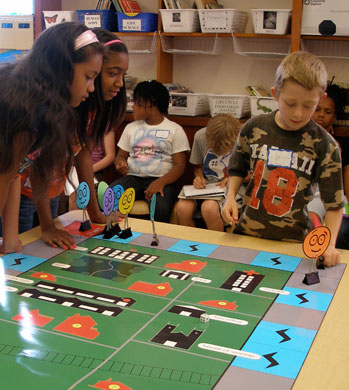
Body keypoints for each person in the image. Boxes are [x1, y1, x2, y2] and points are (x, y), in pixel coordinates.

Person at [222, 51, 344, 267]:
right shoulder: (253, 127)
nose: (298, 113)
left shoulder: (325, 145)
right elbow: (236, 169)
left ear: (321, 99)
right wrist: (230, 197)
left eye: (308, 105)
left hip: (295, 244)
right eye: (290, 103)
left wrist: (331, 244)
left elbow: (333, 204)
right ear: (275, 94)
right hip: (247, 236)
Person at [18, 29, 129, 250]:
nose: (120, 83)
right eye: (112, 73)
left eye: (123, 74)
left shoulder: (90, 110)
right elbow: (38, 164)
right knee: (21, 253)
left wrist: (95, 211)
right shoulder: (52, 111)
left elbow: (83, 154)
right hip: (21, 193)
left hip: (47, 191)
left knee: (43, 252)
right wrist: (47, 226)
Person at [0, 22, 104, 253]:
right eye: (88, 77)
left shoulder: (44, 111)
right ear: (62, 68)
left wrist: (10, 237)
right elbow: (4, 174)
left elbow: (13, 173)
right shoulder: (24, 109)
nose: (91, 88)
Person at [112, 80, 190, 223]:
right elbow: (120, 156)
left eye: (137, 103)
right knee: (109, 196)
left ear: (150, 104)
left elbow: (180, 166)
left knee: (161, 207)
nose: (133, 107)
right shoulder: (131, 128)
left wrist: (161, 182)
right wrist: (121, 163)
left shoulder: (175, 129)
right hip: (133, 178)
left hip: (162, 181)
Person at [176, 114, 242, 231]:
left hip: (234, 188)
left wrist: (232, 178)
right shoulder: (200, 136)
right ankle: (190, 245)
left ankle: (215, 246)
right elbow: (197, 167)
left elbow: (251, 173)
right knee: (182, 208)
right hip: (208, 187)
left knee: (209, 208)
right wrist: (199, 178)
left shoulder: (243, 138)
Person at [308, 83, 347, 226]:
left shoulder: (335, 145)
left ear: (334, 117)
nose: (321, 115)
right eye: (317, 109)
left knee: (312, 217)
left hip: (322, 190)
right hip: (301, 187)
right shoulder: (300, 136)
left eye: (327, 112)